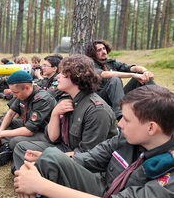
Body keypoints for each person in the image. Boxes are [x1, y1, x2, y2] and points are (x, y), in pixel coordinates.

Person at [14, 85, 174, 198]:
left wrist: (40, 185)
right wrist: (36, 164)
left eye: (126, 119)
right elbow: (90, 157)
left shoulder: (169, 174)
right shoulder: (125, 138)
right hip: (105, 187)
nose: (120, 124)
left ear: (151, 128)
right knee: (50, 156)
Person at [13, 54, 117, 172]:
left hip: (82, 161)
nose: (58, 77)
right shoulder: (67, 99)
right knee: (21, 148)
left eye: (63, 73)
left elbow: (87, 155)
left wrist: (46, 157)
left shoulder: (97, 110)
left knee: (34, 162)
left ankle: (39, 178)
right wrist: (55, 114)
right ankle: (36, 173)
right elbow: (52, 138)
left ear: (77, 77)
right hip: (65, 148)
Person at [0, 70, 57, 166]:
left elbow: (29, 130)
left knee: (16, 141)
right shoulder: (23, 93)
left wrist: (1, 134)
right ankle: (6, 147)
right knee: (4, 121)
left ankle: (10, 147)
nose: (14, 95)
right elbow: (11, 114)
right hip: (29, 125)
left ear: (27, 87)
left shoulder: (42, 99)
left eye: (15, 92)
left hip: (45, 133)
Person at [85, 40, 155, 121]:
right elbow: (104, 74)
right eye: (99, 50)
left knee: (142, 75)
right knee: (115, 79)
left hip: (117, 97)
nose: (103, 51)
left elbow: (133, 68)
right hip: (101, 98)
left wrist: (145, 71)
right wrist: (133, 75)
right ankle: (121, 117)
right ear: (93, 53)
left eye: (104, 48)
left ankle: (160, 102)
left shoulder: (111, 63)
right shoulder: (90, 65)